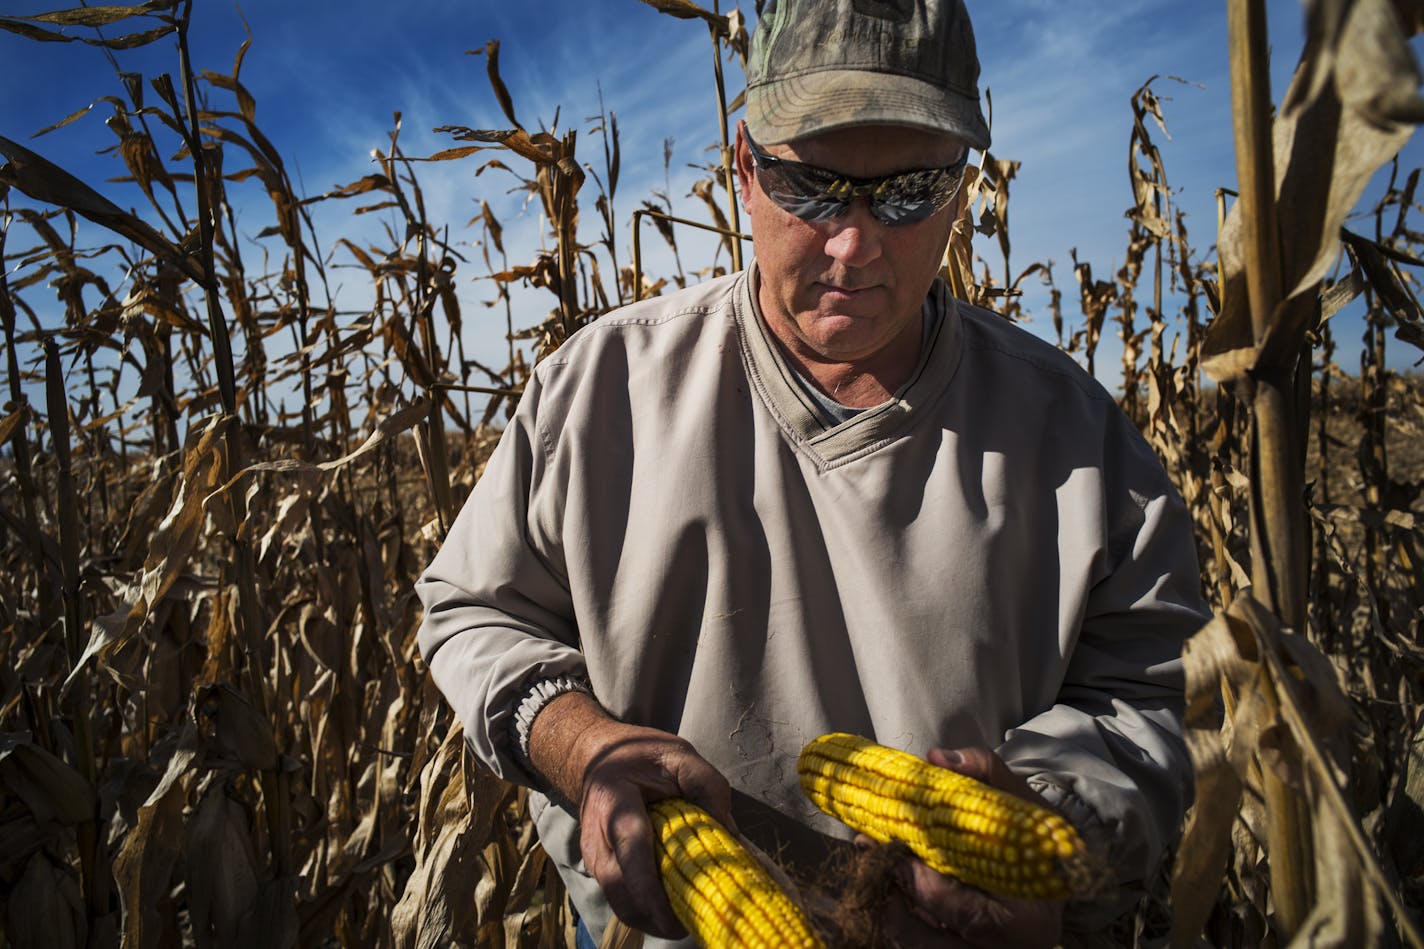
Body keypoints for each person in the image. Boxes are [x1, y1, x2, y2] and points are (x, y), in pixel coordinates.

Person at [417, 0, 1210, 945]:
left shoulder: (1076, 438)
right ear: (745, 167)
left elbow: (1154, 691)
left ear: (963, 187)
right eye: (815, 187)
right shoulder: (602, 391)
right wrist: (585, 744)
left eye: (912, 191)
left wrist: (1055, 826)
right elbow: (474, 610)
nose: (856, 245)